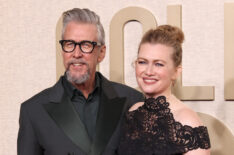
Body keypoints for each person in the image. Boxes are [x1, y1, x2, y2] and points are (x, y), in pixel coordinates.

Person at [17, 8, 143, 155]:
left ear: (101, 53)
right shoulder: (33, 111)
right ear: (62, 50)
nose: (76, 54)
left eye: (86, 45)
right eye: (69, 44)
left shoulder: (132, 102)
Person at [117, 25, 211, 155]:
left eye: (158, 64)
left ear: (176, 72)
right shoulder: (133, 111)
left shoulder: (187, 120)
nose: (148, 71)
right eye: (142, 62)